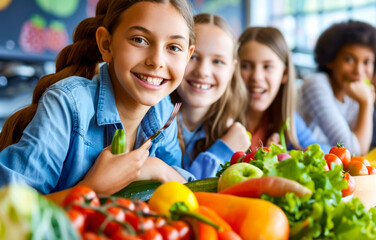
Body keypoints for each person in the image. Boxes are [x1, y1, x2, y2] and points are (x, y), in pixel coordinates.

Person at [0, 0, 195, 201]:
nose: (157, 61)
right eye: (139, 40)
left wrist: (156, 167)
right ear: (106, 44)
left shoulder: (164, 111)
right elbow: (8, 209)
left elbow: (175, 197)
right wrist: (92, 188)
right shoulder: (67, 105)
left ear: (188, 56)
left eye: (173, 47)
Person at [171, 13, 249, 179]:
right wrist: (222, 151)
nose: (203, 72)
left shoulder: (232, 133)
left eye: (218, 61)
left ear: (232, 70)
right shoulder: (153, 121)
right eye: (193, 57)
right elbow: (171, 191)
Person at [297, 20, 376, 155]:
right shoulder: (316, 84)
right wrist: (366, 103)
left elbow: (358, 152)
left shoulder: (355, 93)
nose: (358, 71)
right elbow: (352, 151)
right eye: (349, 60)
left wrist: (365, 102)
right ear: (330, 60)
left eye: (367, 62)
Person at [238, 26, 329, 153]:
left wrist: (290, 155)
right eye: (246, 66)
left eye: (267, 66)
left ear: (284, 74)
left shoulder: (287, 119)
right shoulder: (220, 121)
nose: (256, 77)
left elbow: (324, 151)